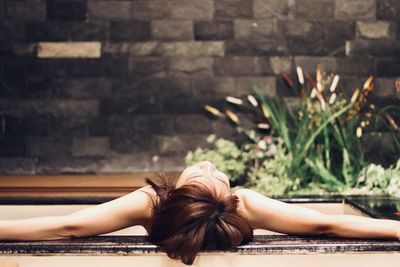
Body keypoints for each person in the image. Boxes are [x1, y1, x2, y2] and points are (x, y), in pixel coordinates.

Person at [0, 161, 399, 265]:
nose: (210, 166)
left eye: (205, 174)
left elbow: (68, 226)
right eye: (216, 175)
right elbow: (327, 224)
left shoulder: (153, 201)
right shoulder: (246, 204)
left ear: (179, 195)